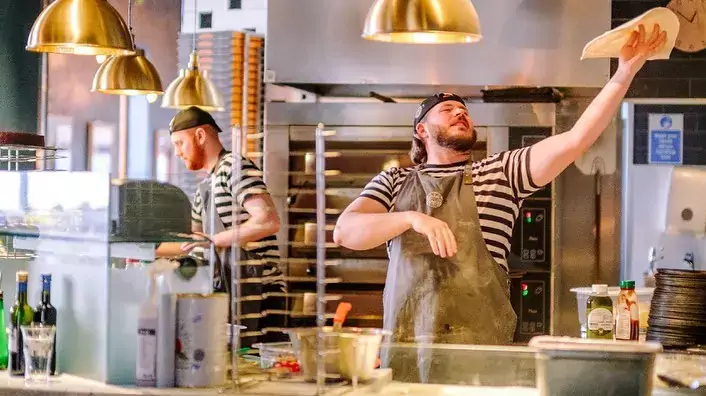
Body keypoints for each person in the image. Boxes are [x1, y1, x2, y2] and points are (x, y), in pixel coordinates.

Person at [333, 24, 667, 381]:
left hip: (480, 362)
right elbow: (346, 232)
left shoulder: (501, 173)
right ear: (421, 130)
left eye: (463, 110)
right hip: (404, 358)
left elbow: (575, 140)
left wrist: (625, 71)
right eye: (447, 109)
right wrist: (413, 219)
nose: (460, 113)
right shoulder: (393, 182)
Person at [156, 106, 287, 346]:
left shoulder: (234, 167)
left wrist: (214, 240)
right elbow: (194, 244)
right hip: (232, 295)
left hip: (261, 297)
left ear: (200, 136)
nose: (177, 152)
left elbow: (267, 220)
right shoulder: (204, 188)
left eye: (179, 143)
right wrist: (146, 252)